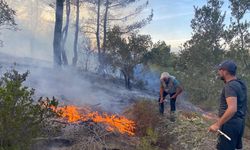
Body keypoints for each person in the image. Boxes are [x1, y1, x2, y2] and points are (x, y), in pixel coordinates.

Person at [208, 60, 248, 150]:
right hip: (239, 123)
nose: (218, 72)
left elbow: (232, 108)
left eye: (220, 70)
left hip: (229, 125)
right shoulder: (241, 84)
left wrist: (217, 125)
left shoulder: (230, 86)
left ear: (225, 71)